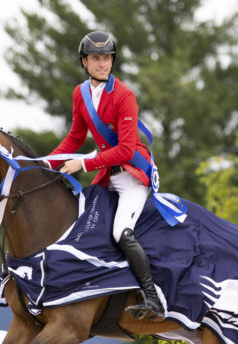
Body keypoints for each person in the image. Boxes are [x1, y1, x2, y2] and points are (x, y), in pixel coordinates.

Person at [47, 31, 165, 321]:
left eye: (107, 58)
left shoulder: (124, 96)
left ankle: (153, 300)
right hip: (107, 178)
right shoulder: (80, 94)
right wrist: (46, 164)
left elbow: (125, 150)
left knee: (119, 232)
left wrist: (83, 165)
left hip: (132, 177)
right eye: (96, 58)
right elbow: (75, 138)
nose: (102, 64)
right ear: (85, 62)